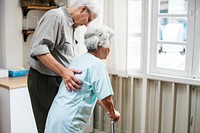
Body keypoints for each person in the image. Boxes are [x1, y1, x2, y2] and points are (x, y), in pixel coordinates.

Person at [27, 0, 100, 132]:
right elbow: (38, 49)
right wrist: (64, 72)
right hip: (45, 81)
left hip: (59, 80)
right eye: (89, 19)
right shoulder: (55, 17)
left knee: (61, 127)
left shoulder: (70, 25)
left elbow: (63, 55)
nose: (86, 24)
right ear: (83, 9)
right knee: (49, 127)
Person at [44, 25, 120, 133]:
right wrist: (113, 113)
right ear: (102, 46)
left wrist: (109, 110)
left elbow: (87, 91)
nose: (109, 49)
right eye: (109, 44)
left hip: (56, 115)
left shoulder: (79, 59)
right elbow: (107, 99)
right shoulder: (97, 64)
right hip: (69, 120)